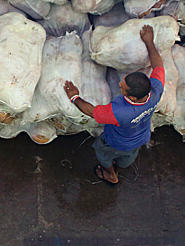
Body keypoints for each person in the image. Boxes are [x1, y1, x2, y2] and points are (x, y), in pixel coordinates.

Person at [64, 25, 165, 185]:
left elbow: (91, 111)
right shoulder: (156, 91)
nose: (119, 84)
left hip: (115, 142)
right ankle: (119, 168)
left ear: (131, 96)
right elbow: (158, 66)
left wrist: (74, 97)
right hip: (140, 138)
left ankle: (110, 173)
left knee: (103, 153)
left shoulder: (119, 112)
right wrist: (149, 42)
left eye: (122, 87)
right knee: (128, 158)